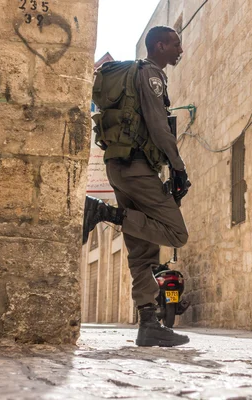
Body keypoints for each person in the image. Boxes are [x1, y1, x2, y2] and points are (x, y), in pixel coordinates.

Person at [83, 26, 190, 347]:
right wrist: (179, 167)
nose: (179, 49)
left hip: (120, 165)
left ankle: (148, 323)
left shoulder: (135, 74)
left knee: (142, 252)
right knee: (176, 233)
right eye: (175, 44)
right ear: (159, 46)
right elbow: (158, 125)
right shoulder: (152, 74)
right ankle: (102, 212)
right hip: (137, 166)